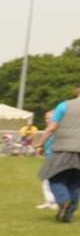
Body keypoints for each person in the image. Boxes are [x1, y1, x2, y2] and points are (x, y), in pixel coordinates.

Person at [39, 86, 80, 222]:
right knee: (75, 183)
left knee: (55, 178)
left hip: (63, 148)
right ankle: (68, 215)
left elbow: (52, 127)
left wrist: (40, 143)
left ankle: (63, 200)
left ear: (77, 91)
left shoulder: (64, 105)